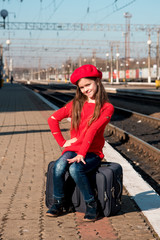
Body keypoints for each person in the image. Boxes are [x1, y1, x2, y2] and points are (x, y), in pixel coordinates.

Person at [46, 64, 114, 221]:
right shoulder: (75, 104)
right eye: (81, 87)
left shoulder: (106, 107)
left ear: (97, 81)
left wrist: (82, 154)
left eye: (88, 85)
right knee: (58, 166)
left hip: (92, 152)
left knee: (76, 170)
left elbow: (92, 130)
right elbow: (53, 119)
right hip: (74, 149)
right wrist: (63, 142)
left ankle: (92, 205)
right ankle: (58, 202)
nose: (85, 90)